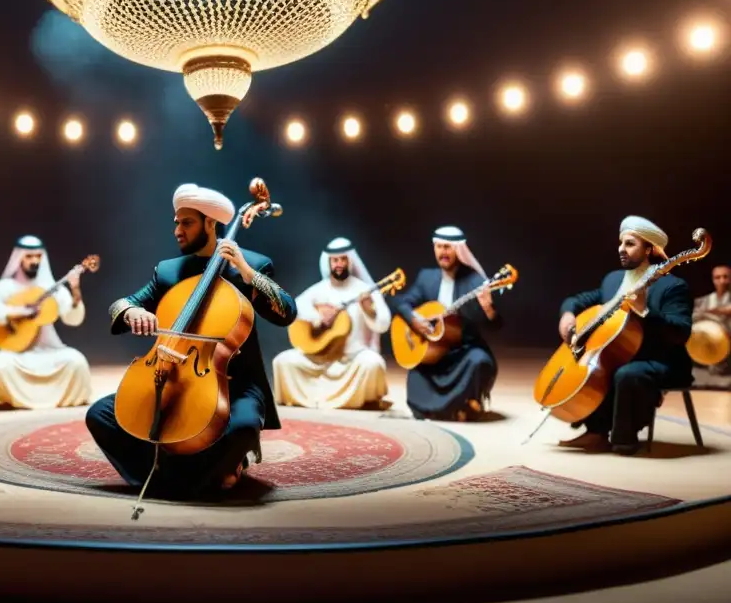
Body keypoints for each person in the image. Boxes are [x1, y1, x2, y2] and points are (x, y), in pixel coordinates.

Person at [85, 183, 297, 498]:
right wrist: (131, 312)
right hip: (169, 373)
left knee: (242, 427)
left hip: (232, 383)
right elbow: (120, 305)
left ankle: (174, 478)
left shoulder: (251, 265)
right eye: (176, 222)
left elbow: (287, 312)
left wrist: (246, 271)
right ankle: (196, 477)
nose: (177, 230)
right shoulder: (169, 272)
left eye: (187, 223)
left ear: (211, 223)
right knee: (100, 415)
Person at [556, 216, 693, 455]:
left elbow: (680, 332)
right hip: (623, 355)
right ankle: (596, 432)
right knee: (600, 366)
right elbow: (578, 300)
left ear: (649, 248)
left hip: (662, 360)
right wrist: (567, 314)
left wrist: (644, 312)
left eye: (630, 244)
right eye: (620, 243)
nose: (621, 249)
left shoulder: (672, 286)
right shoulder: (614, 279)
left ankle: (623, 439)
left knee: (627, 373)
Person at [388, 226, 500, 421]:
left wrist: (489, 309)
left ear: (459, 250)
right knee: (417, 366)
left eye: (448, 247)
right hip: (434, 348)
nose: (443, 252)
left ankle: (465, 404)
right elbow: (401, 302)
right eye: (439, 247)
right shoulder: (427, 277)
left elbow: (495, 326)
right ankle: (448, 409)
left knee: (479, 361)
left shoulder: (476, 282)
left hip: (462, 350)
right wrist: (414, 320)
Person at [271, 237, 391, 409]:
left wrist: (368, 310)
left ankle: (352, 400)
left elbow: (383, 324)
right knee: (283, 361)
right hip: (319, 359)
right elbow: (291, 309)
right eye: (335, 260)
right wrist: (317, 316)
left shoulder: (364, 290)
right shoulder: (320, 289)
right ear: (328, 262)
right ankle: (317, 399)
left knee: (373, 363)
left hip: (351, 360)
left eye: (343, 259)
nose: (339, 264)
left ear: (350, 261)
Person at [0, 235, 91, 408]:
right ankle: (20, 400)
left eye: (38, 256)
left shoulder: (51, 289)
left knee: (77, 362)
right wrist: (18, 312)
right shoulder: (6, 287)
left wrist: (75, 290)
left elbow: (73, 319)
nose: (34, 260)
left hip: (49, 351)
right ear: (19, 257)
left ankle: (56, 399)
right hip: (17, 354)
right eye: (29, 256)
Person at [692, 265, 731, 376]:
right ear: (713, 279)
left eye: (725, 277)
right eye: (717, 277)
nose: (722, 281)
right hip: (704, 344)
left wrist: (714, 311)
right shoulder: (703, 301)